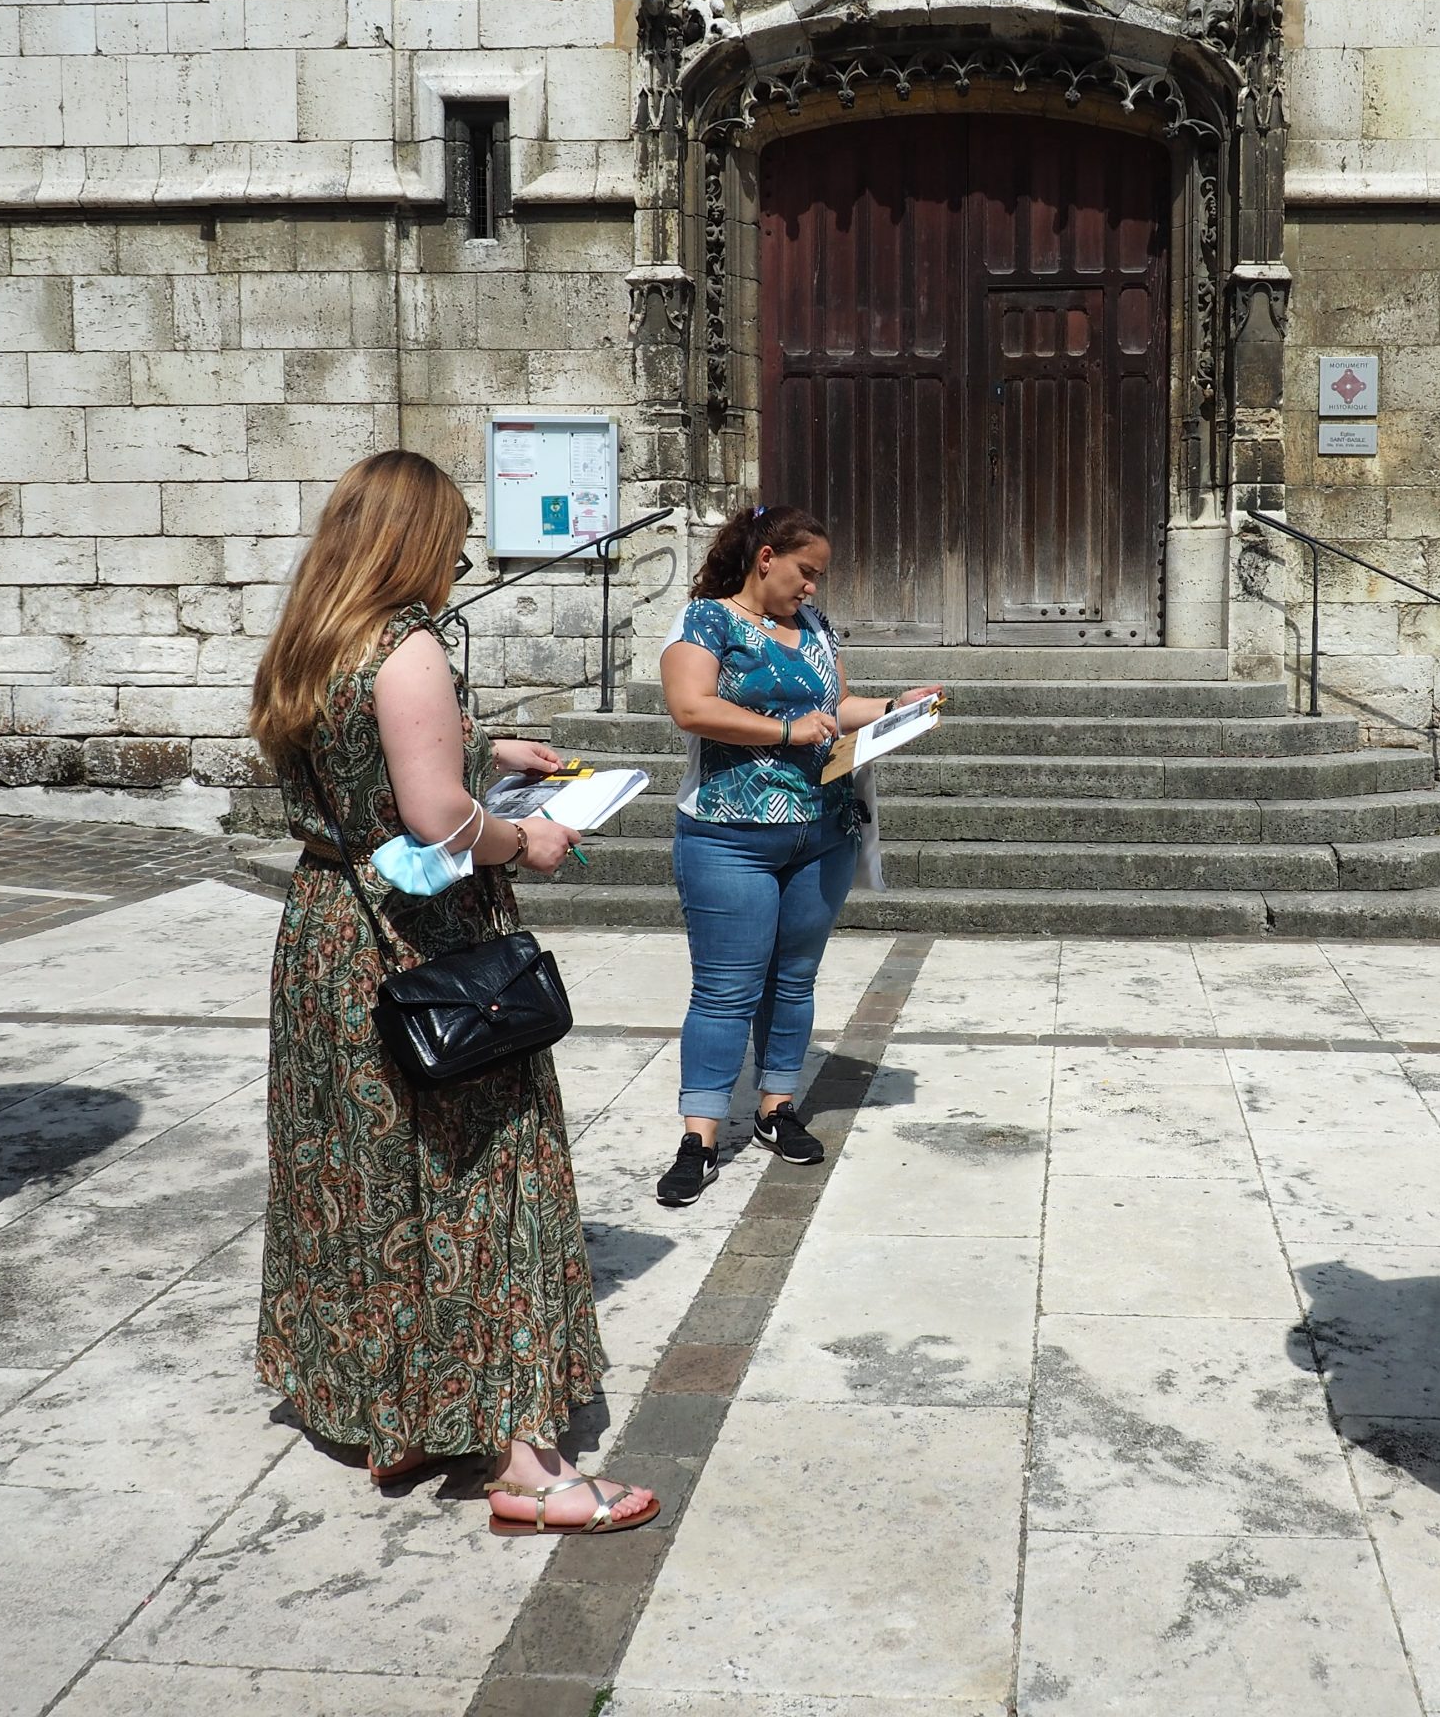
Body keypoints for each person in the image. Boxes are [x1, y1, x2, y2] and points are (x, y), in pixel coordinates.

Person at [247, 451, 657, 1537]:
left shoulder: (313, 642)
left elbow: (364, 770)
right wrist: (528, 838)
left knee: (363, 1174)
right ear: (411, 537)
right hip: (420, 942)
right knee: (485, 1176)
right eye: (457, 529)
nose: (467, 548)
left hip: (330, 933)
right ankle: (526, 1463)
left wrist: (484, 743)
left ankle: (395, 1405)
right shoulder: (407, 643)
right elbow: (436, 819)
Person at [654, 504, 943, 1207]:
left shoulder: (813, 628)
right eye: (805, 573)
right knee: (726, 989)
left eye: (819, 578)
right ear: (765, 558)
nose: (812, 589)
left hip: (821, 831)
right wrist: (783, 731)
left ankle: (777, 1108)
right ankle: (700, 1136)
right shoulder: (706, 622)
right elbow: (689, 708)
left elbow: (835, 705)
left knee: (794, 979)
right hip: (731, 834)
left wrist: (894, 708)